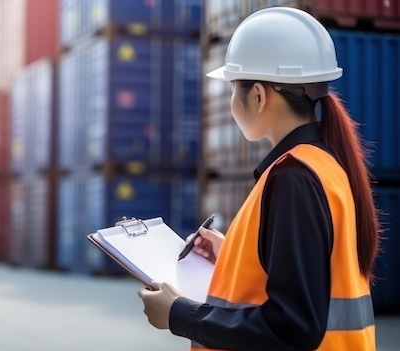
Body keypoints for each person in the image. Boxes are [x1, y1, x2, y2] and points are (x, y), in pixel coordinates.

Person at [138, 7, 380, 351]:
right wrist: (234, 255)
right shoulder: (322, 165)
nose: (232, 101)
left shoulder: (293, 178)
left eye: (233, 89)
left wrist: (179, 314)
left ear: (258, 96)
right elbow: (310, 280)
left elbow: (293, 328)